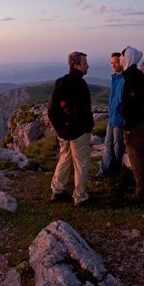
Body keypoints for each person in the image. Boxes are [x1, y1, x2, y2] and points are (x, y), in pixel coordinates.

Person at [47, 51, 94, 207]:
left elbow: (51, 109)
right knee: (82, 163)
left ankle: (57, 191)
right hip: (78, 132)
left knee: (65, 158)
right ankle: (80, 197)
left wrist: (59, 128)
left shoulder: (60, 82)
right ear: (76, 65)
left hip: (63, 132)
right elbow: (85, 111)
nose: (88, 66)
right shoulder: (80, 84)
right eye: (85, 63)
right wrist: (88, 128)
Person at [120, 46, 144, 203]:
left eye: (122, 56)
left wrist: (128, 123)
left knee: (136, 155)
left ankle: (142, 193)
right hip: (136, 122)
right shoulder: (134, 74)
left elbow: (131, 102)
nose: (120, 59)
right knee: (137, 154)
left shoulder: (133, 76)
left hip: (134, 124)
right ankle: (143, 187)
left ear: (128, 58)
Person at [96, 52, 125, 178]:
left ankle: (116, 171)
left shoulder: (125, 79)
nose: (113, 65)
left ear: (121, 62)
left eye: (116, 62)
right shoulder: (115, 78)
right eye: (112, 63)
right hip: (112, 117)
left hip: (119, 117)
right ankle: (104, 172)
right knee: (108, 144)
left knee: (118, 145)